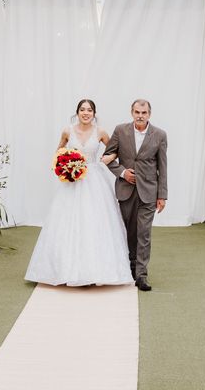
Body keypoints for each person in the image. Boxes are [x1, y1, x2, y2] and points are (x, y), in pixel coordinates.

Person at [25, 99, 134, 286]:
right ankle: (64, 269)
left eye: (89, 110)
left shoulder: (100, 132)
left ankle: (95, 271)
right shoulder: (68, 130)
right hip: (73, 181)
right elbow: (59, 151)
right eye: (82, 110)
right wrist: (64, 165)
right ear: (77, 112)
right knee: (67, 221)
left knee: (94, 221)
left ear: (94, 113)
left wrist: (108, 157)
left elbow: (116, 150)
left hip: (94, 180)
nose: (86, 113)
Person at [103, 99, 167, 291]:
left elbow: (163, 166)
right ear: (132, 112)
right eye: (137, 112)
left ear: (149, 114)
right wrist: (123, 173)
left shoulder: (160, 135)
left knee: (144, 233)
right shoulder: (120, 131)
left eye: (144, 112)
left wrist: (162, 195)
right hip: (125, 190)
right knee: (129, 231)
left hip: (149, 191)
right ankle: (130, 268)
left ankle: (141, 275)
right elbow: (108, 156)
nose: (140, 115)